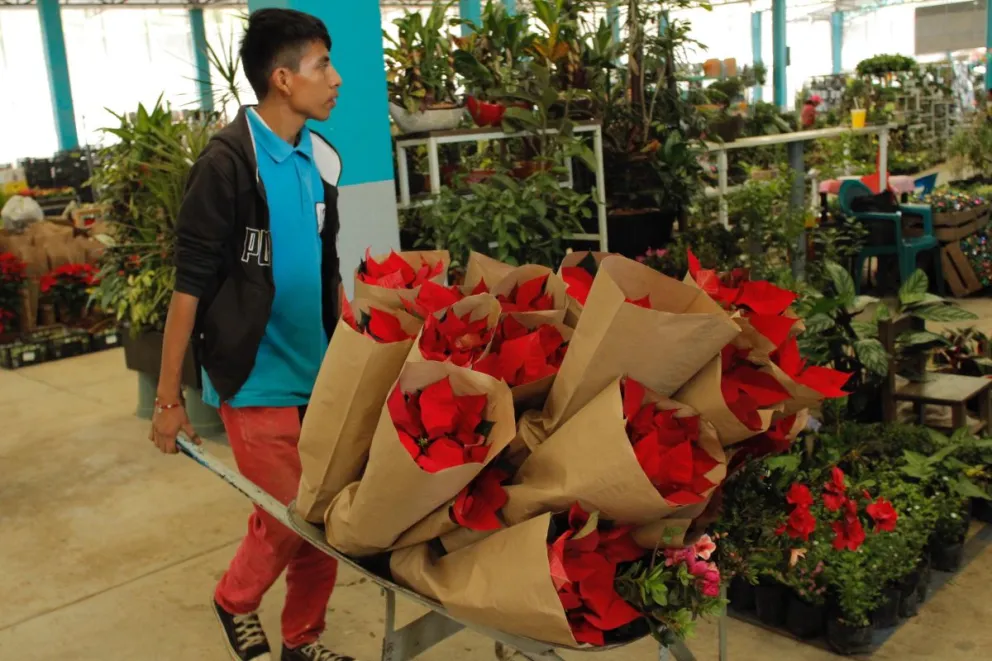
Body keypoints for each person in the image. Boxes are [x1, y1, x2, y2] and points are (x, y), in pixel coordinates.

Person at [149, 8, 353, 661]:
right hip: (255, 374)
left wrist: (356, 349)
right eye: (323, 66)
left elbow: (326, 268)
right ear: (283, 79)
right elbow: (190, 285)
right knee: (291, 514)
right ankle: (235, 599)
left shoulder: (318, 158)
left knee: (324, 518)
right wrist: (167, 397)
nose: (336, 79)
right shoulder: (229, 162)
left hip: (318, 374)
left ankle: (302, 638)